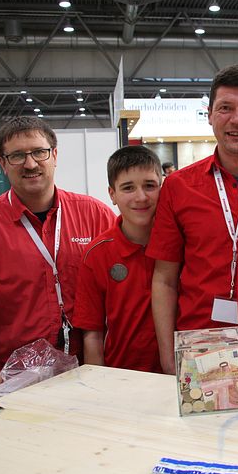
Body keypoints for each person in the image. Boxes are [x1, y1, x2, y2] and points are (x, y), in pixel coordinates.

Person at [147, 64, 238, 383]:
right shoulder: (179, 187)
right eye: (225, 108)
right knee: (203, 433)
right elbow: (164, 279)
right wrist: (166, 353)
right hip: (203, 347)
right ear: (210, 116)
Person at [0, 117, 115, 408]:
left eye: (39, 152)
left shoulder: (96, 215)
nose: (30, 164)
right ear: (3, 163)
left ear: (54, 155)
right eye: (17, 156)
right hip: (17, 377)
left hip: (94, 367)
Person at [71, 146, 162, 373]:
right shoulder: (96, 255)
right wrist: (98, 388)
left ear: (163, 187)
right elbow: (93, 333)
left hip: (177, 376)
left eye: (150, 186)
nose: (141, 197)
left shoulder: (181, 245)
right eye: (128, 188)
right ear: (112, 194)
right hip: (121, 377)